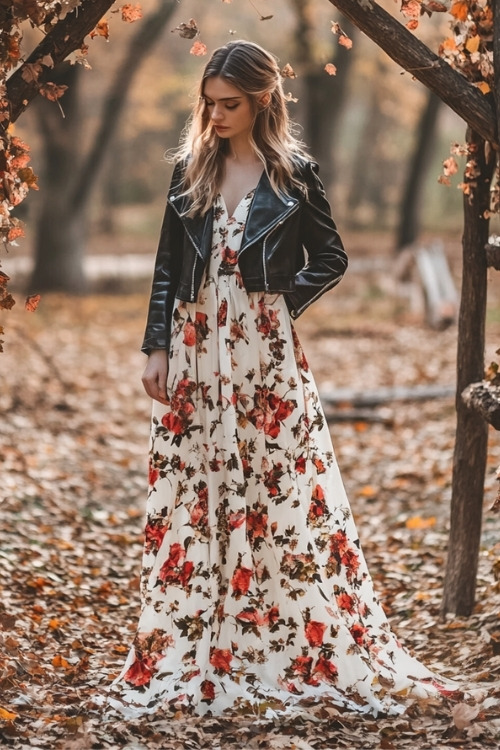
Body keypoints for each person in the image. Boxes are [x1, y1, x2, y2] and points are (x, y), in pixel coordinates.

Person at [107, 40, 457, 718]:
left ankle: (278, 635)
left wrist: (274, 305)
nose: (215, 116)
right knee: (199, 485)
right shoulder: (190, 169)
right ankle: (204, 637)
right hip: (196, 345)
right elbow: (165, 268)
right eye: (208, 104)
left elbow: (331, 257)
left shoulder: (294, 174)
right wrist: (156, 348)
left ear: (264, 99)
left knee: (276, 483)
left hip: (264, 354)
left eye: (229, 104)